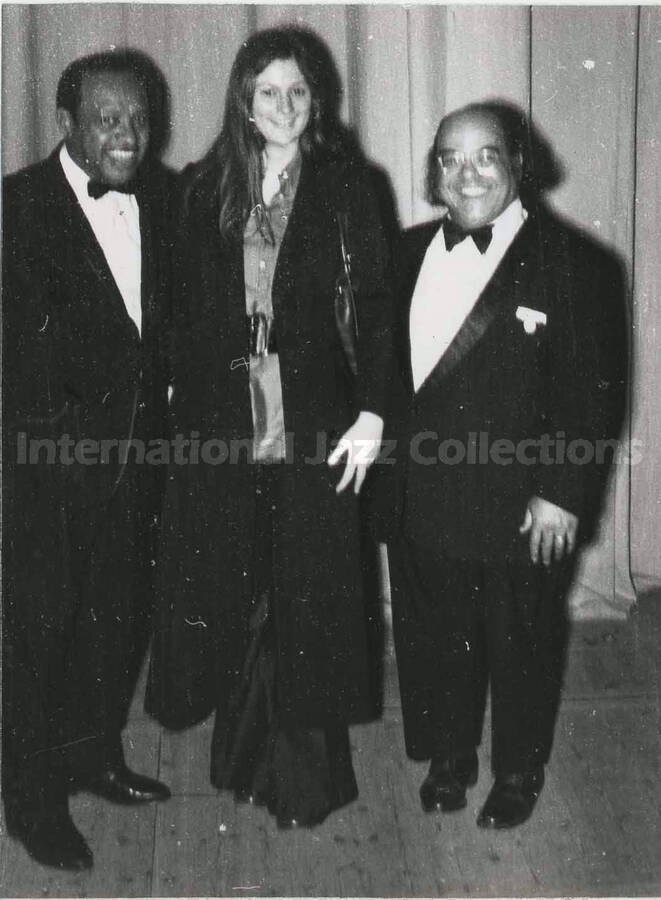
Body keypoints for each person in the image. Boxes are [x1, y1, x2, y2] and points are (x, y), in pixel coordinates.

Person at [146, 26, 392, 829]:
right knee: (241, 582)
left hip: (314, 418)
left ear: (315, 101)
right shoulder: (200, 186)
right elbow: (179, 311)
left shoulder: (349, 186)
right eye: (266, 93)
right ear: (243, 105)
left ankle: (304, 782)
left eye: (297, 92)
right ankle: (244, 756)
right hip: (221, 421)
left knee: (307, 591)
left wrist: (374, 412)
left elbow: (380, 313)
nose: (282, 107)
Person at [383, 101, 627, 829]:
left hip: (519, 501)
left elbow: (591, 396)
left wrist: (560, 492)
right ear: (433, 172)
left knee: (519, 638)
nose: (466, 174)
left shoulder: (576, 264)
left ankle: (517, 770)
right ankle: (449, 757)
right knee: (434, 634)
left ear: (518, 163)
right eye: (449, 159)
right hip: (422, 491)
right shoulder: (402, 252)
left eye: (484, 155)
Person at [2, 49, 176, 870]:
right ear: (66, 122)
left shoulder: (167, 197)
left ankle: (95, 757)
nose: (128, 135)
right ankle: (32, 805)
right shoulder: (15, 210)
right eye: (109, 118)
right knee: (34, 641)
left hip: (138, 471)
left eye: (139, 118)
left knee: (113, 625)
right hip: (43, 476)